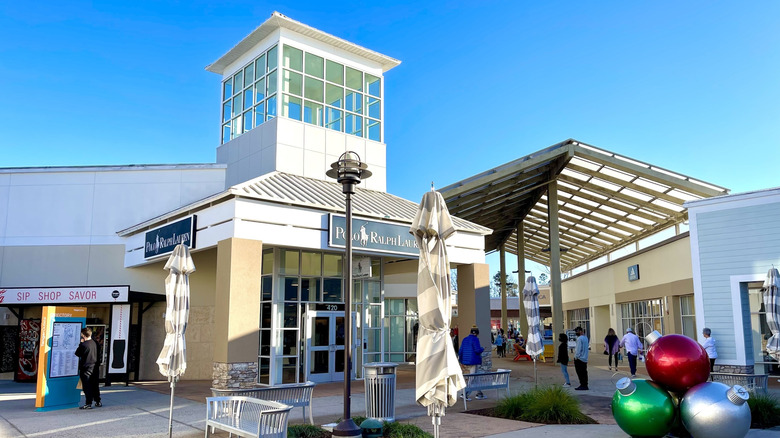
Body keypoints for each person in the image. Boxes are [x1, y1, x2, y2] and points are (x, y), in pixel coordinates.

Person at [74, 327, 102, 409]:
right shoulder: (96, 343)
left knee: (87, 386)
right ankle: (98, 401)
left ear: (83, 335)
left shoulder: (84, 345)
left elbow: (77, 353)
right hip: (95, 367)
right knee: (95, 385)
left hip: (86, 368)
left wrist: (81, 343)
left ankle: (88, 403)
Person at [458, 325, 486, 400]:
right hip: (473, 361)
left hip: (465, 361)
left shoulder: (465, 339)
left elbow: (460, 351)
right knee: (472, 378)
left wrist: (461, 361)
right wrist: (482, 349)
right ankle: (465, 394)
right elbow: (477, 350)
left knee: (475, 377)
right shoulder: (475, 339)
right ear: (477, 333)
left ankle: (479, 393)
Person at [573, 326, 589, 390]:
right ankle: (585, 384)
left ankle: (582, 385)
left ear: (580, 331)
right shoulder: (586, 338)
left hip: (579, 359)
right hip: (585, 358)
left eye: (577, 331)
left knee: (580, 373)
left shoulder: (579, 339)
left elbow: (578, 349)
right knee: (584, 372)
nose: (576, 333)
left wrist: (576, 357)